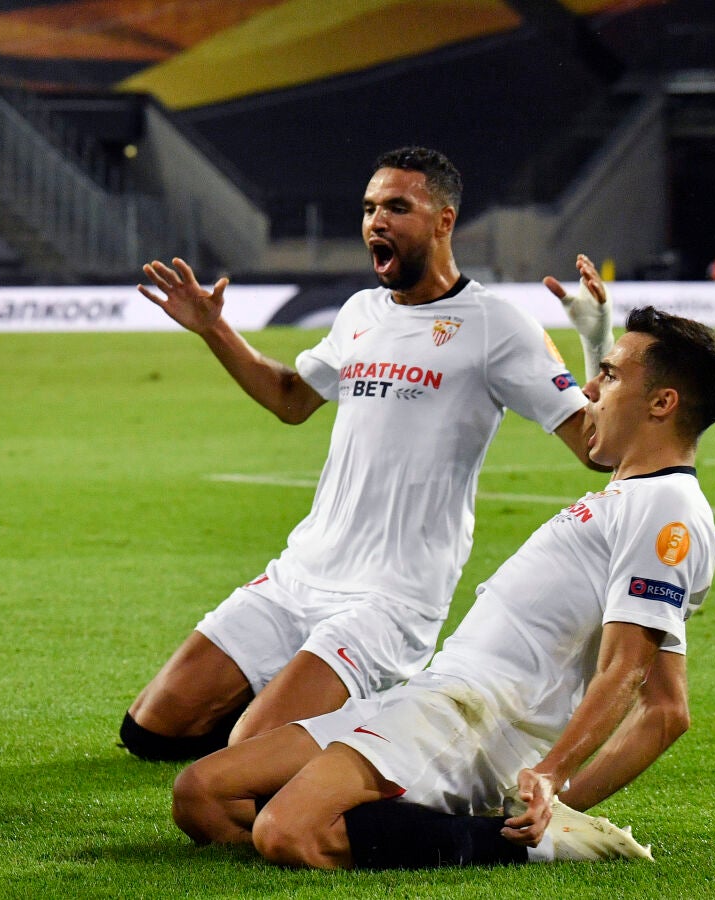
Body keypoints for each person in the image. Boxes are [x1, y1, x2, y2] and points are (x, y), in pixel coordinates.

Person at [170, 307, 715, 869]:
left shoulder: (667, 510)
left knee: (288, 830)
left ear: (663, 403)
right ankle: (456, 827)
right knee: (201, 794)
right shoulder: (632, 496)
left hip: (477, 722)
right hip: (432, 696)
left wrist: (552, 777)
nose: (590, 389)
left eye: (609, 376)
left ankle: (509, 844)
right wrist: (560, 806)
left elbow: (632, 674)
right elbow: (668, 709)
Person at [124, 147, 614, 763]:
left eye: (397, 208)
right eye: (369, 208)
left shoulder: (497, 325)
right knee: (152, 730)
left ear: (443, 221)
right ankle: (309, 706)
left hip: (391, 598)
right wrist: (214, 328)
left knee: (251, 752)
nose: (376, 221)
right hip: (301, 574)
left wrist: (598, 341)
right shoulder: (360, 312)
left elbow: (596, 449)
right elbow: (290, 399)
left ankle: (378, 721)